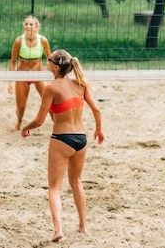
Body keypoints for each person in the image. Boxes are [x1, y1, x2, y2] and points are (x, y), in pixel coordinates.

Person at [21, 49, 104, 242]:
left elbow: (40, 120)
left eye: (48, 60)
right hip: (81, 140)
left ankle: (58, 230)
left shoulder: (51, 88)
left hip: (62, 138)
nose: (46, 62)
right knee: (76, 182)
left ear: (55, 66)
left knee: (54, 188)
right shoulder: (80, 84)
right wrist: (99, 129)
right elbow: (97, 109)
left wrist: (26, 127)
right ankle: (83, 226)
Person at [8, 15, 51, 130]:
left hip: (38, 74)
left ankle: (56, 123)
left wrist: (55, 77)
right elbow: (12, 62)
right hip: (22, 75)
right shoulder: (18, 41)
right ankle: (19, 121)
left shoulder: (43, 41)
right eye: (26, 24)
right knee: (21, 108)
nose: (28, 26)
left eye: (31, 24)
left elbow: (50, 59)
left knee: (49, 100)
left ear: (37, 27)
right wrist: (10, 82)